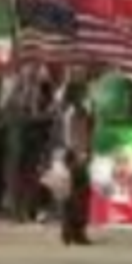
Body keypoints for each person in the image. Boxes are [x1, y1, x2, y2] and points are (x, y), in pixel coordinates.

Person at [58, 74, 94, 246]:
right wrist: (82, 153)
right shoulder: (78, 112)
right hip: (74, 155)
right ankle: (77, 232)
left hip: (66, 154)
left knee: (69, 195)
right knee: (79, 195)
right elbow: (78, 133)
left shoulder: (66, 110)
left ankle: (68, 231)